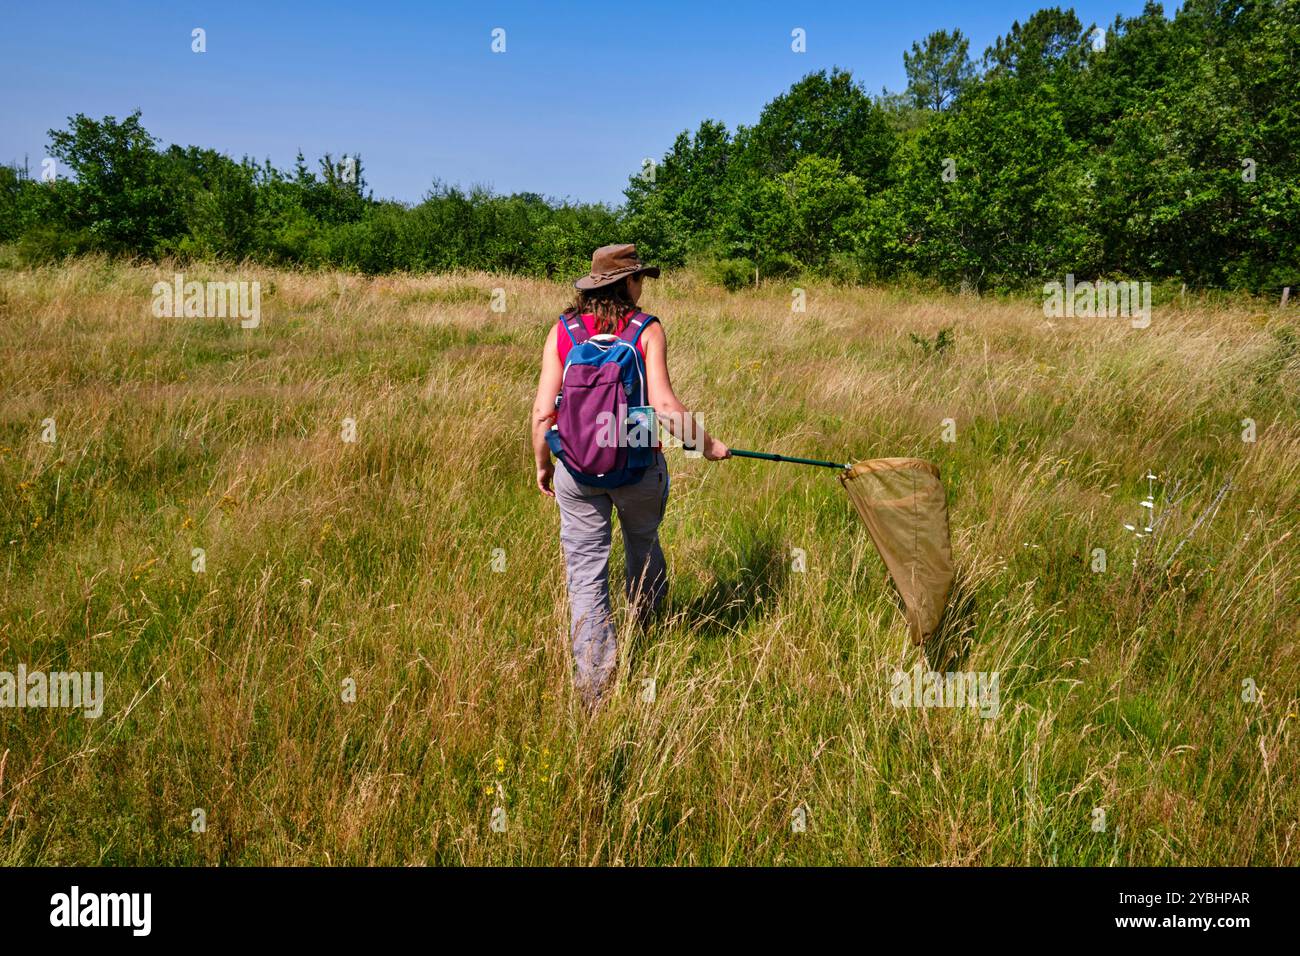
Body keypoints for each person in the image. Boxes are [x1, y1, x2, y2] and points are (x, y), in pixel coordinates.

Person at [531, 244, 729, 707]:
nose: (643, 286)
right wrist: (708, 445)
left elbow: (543, 414)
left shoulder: (563, 329)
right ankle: (653, 627)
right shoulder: (646, 328)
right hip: (637, 455)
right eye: (639, 278)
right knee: (643, 541)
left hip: (577, 465)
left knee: (585, 575)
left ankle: (595, 689)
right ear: (627, 284)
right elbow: (662, 407)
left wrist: (544, 463)